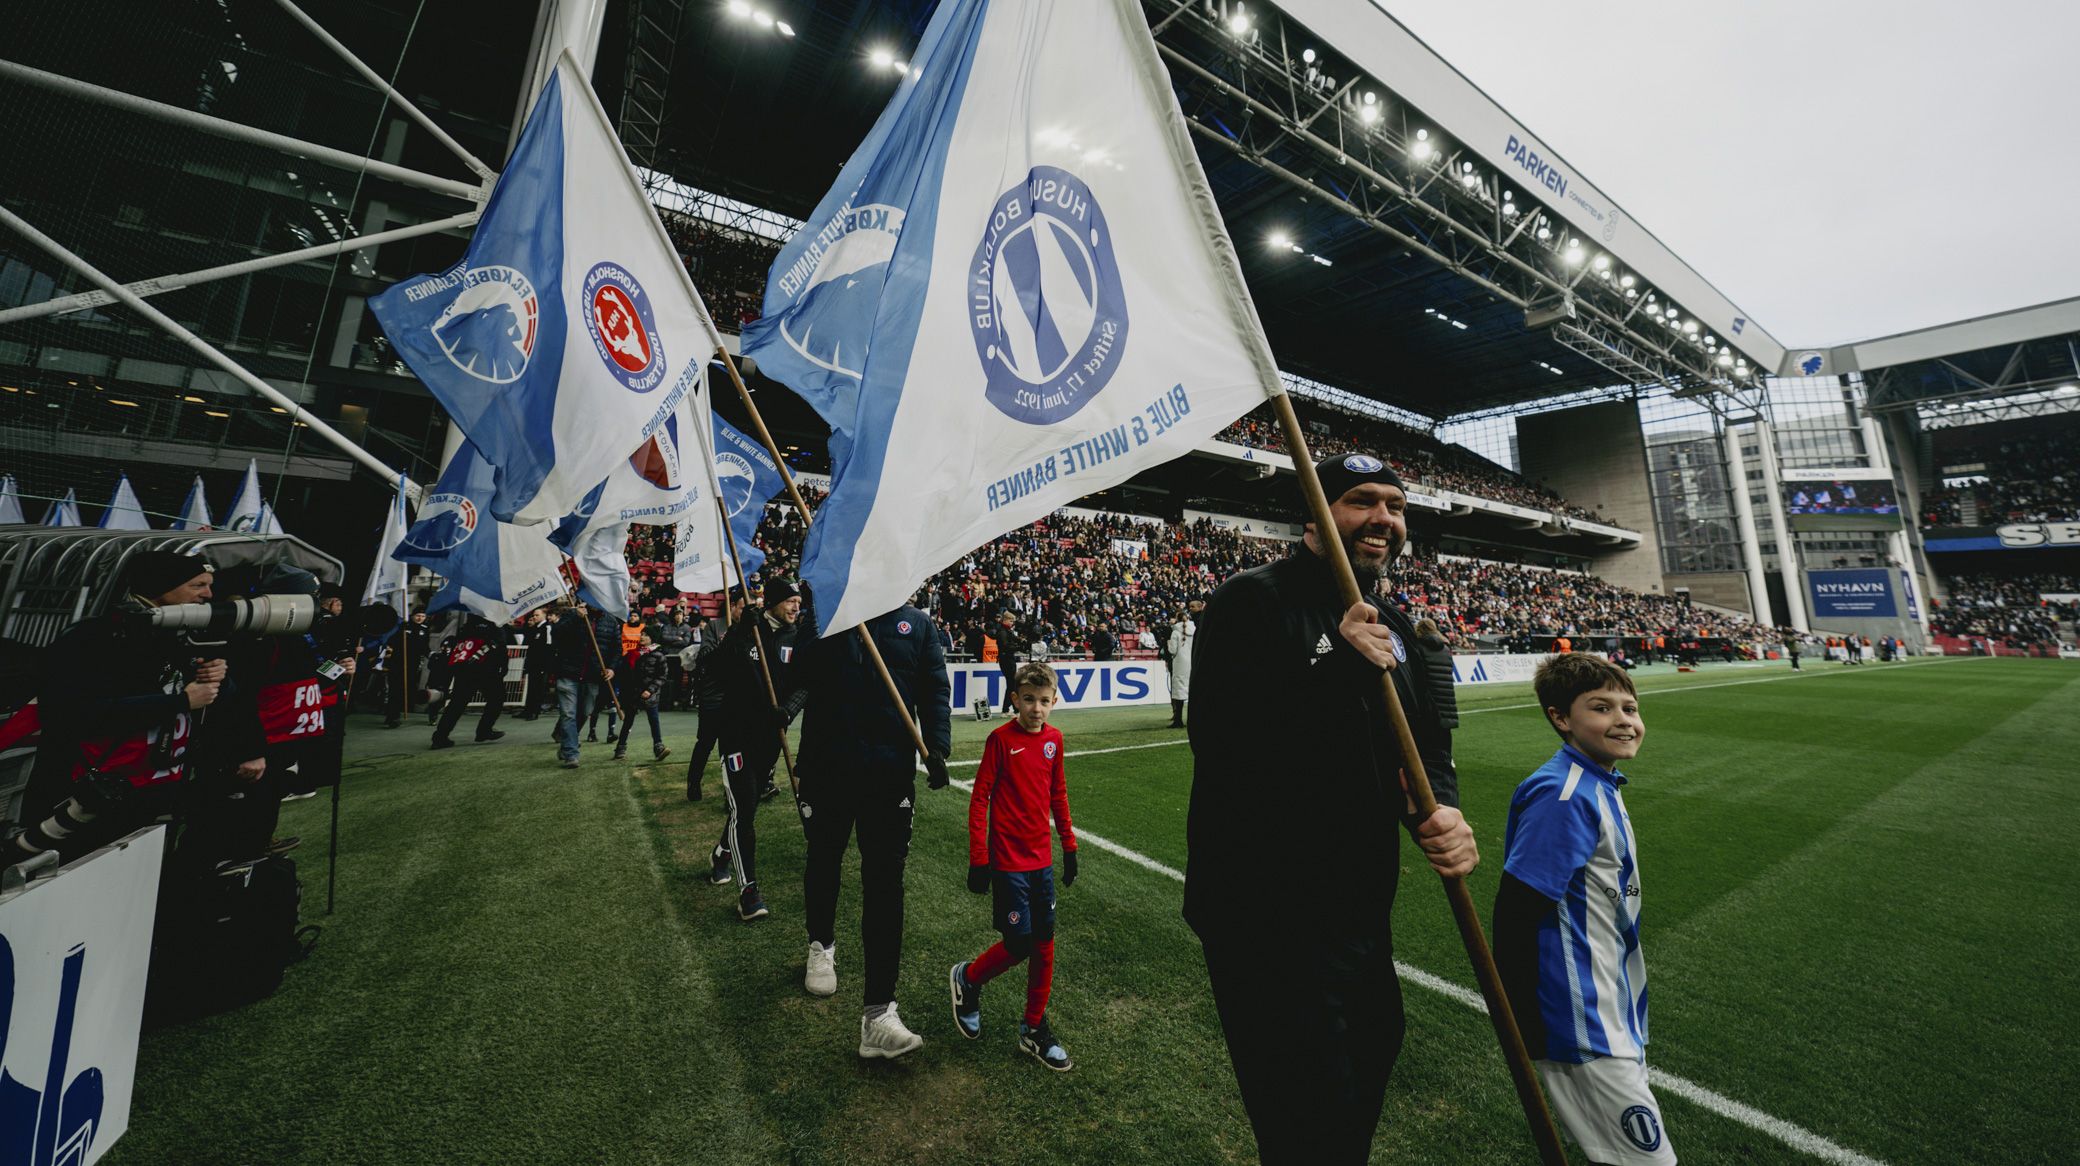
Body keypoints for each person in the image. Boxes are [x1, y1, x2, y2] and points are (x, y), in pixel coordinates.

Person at [1183, 452, 1477, 1165]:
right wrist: (1336, 667)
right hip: (1263, 907)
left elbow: (1428, 743)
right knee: (1305, 1111)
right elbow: (1226, 747)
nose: (1383, 518)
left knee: (1371, 1060)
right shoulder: (1251, 600)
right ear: (1315, 511)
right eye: (1361, 500)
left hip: (1358, 901)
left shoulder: (1400, 624)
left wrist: (1444, 813)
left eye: (1396, 506)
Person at [1493, 654, 1673, 1166]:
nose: (1624, 720)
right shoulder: (1566, 794)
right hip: (1581, 1022)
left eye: (1630, 708)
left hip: (1611, 1008)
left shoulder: (1599, 781)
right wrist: (1522, 1017)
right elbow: (1517, 911)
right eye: (1601, 707)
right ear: (1560, 718)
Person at [7, 552, 265, 865]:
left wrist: (215, 684)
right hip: (92, 795)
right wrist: (180, 701)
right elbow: (75, 713)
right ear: (160, 588)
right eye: (197, 585)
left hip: (156, 791)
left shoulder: (183, 634)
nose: (209, 595)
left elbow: (218, 700)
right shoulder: (94, 638)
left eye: (209, 585)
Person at [796, 603, 952, 1059]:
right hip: (828, 767)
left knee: (885, 883)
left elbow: (934, 690)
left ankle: (879, 1013)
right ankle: (820, 944)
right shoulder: (828, 610)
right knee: (824, 859)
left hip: (889, 775)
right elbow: (801, 672)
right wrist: (836, 623)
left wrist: (937, 745)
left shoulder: (919, 625)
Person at [950, 662, 1080, 1072]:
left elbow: (1057, 794)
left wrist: (1069, 846)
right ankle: (968, 979)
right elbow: (979, 798)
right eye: (1029, 700)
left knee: (1045, 943)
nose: (1036, 709)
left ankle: (1034, 1027)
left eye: (1044, 701)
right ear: (1015, 700)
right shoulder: (1000, 740)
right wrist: (979, 859)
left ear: (1054, 702)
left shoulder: (1054, 741)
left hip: (1041, 861)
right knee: (1019, 943)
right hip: (1008, 863)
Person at [709, 581, 810, 922]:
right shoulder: (749, 630)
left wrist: (789, 710)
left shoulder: (798, 637)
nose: (796, 608)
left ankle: (722, 853)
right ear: (774, 602)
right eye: (790, 602)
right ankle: (748, 890)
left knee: (747, 804)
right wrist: (739, 631)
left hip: (771, 739)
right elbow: (717, 670)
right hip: (736, 735)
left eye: (798, 602)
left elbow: (807, 682)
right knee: (745, 810)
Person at [684, 588, 747, 800]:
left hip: (737, 697)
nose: (745, 611)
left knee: (732, 748)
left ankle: (730, 791)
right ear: (732, 606)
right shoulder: (715, 626)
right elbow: (705, 658)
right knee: (705, 743)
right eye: (742, 607)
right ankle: (693, 782)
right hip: (713, 697)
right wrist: (728, 641)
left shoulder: (750, 630)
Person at [430, 614, 509, 750]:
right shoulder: (495, 625)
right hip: (487, 669)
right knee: (497, 698)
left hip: (465, 668)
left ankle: (440, 736)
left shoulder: (467, 626)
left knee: (457, 703)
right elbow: (500, 646)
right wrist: (503, 667)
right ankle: (484, 730)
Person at [550, 602, 611, 770]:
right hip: (568, 672)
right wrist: (575, 618)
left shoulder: (610, 620)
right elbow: (556, 632)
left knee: (585, 712)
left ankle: (566, 743)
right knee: (568, 713)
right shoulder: (572, 614)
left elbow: (615, 647)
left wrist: (611, 667)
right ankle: (571, 753)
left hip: (592, 676)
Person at [613, 629, 672, 762]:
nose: (642, 637)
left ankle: (658, 747)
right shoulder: (633, 654)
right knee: (628, 721)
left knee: (654, 721)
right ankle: (620, 748)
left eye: (646, 635)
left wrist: (650, 690)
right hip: (633, 693)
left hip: (651, 694)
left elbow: (662, 676)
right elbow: (626, 675)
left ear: (652, 638)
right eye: (642, 634)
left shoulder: (659, 655)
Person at [1165, 607, 1195, 728]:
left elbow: (1172, 650)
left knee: (1179, 692)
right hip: (1192, 662)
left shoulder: (1175, 632)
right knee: (1191, 691)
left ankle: (1178, 720)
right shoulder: (1194, 630)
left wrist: (1168, 644)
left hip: (1179, 664)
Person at [995, 612, 1020, 715]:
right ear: (1005, 620)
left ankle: (1006, 709)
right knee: (1012, 684)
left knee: (1011, 684)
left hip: (1007, 659)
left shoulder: (1006, 631)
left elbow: (1014, 640)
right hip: (1006, 659)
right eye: (1011, 621)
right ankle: (1014, 709)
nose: (1012, 623)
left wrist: (1021, 642)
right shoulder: (1002, 632)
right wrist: (1018, 647)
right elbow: (1005, 646)